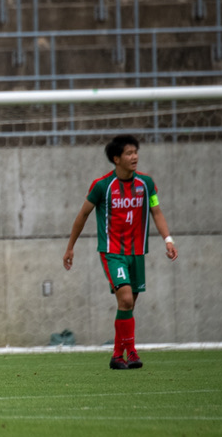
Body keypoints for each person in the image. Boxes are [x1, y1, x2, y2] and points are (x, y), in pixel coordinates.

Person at [63, 135, 178, 370]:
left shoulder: (146, 184)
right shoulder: (102, 186)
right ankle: (131, 352)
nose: (134, 156)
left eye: (135, 152)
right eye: (128, 153)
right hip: (112, 252)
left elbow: (156, 211)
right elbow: (82, 215)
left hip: (137, 253)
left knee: (128, 305)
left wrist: (168, 239)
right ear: (116, 159)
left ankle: (119, 355)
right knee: (125, 299)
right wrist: (70, 247)